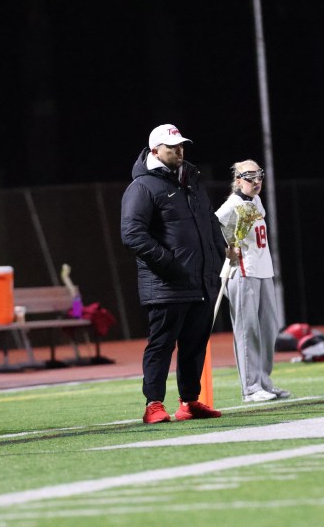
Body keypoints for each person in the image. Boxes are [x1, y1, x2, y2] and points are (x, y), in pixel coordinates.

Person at [120, 124, 225, 423]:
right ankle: (153, 404)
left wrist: (217, 258)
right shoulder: (142, 187)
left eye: (180, 145)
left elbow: (209, 223)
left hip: (201, 280)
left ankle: (189, 402)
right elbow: (132, 234)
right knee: (162, 344)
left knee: (195, 344)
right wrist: (170, 264)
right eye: (171, 146)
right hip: (166, 283)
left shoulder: (191, 182)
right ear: (155, 151)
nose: (179, 150)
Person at [215, 159, 289, 401]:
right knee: (248, 330)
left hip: (263, 269)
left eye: (259, 176)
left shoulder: (255, 201)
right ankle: (250, 388)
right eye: (250, 177)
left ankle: (264, 382)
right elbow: (213, 227)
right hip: (243, 272)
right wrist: (226, 250)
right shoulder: (232, 204)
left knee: (269, 329)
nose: (257, 181)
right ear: (238, 181)